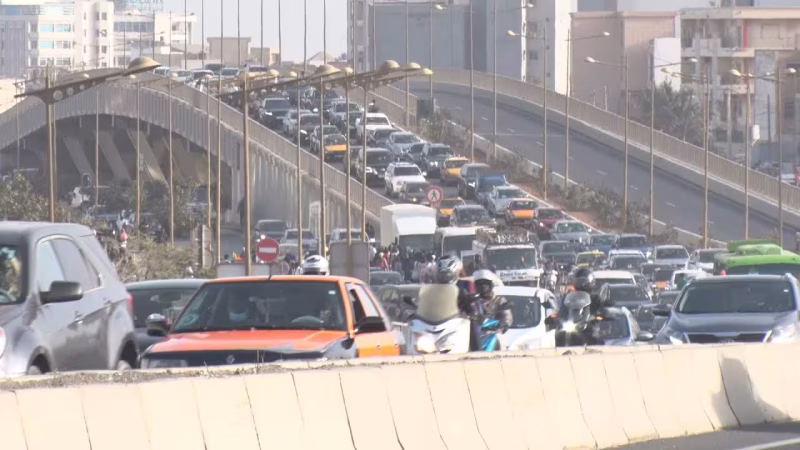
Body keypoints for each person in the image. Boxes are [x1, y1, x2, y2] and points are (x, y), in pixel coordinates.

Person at [461, 269, 512, 351]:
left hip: (493, 333)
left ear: (491, 285)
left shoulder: (499, 300)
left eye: (486, 284)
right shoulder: (473, 301)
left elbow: (507, 317)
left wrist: (504, 325)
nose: (483, 287)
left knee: (500, 340)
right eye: (480, 284)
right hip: (474, 335)